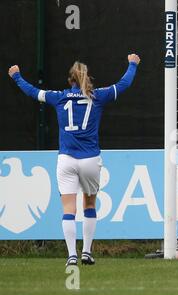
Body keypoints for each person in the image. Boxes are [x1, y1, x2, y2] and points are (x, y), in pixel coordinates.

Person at [8, 54, 141, 266]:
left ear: (70, 80)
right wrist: (133, 63)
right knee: (90, 205)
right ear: (87, 78)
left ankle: (71, 255)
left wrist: (17, 77)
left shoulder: (59, 97)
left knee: (68, 209)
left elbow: (33, 92)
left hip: (67, 160)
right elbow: (123, 84)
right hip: (90, 160)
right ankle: (87, 252)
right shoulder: (98, 96)